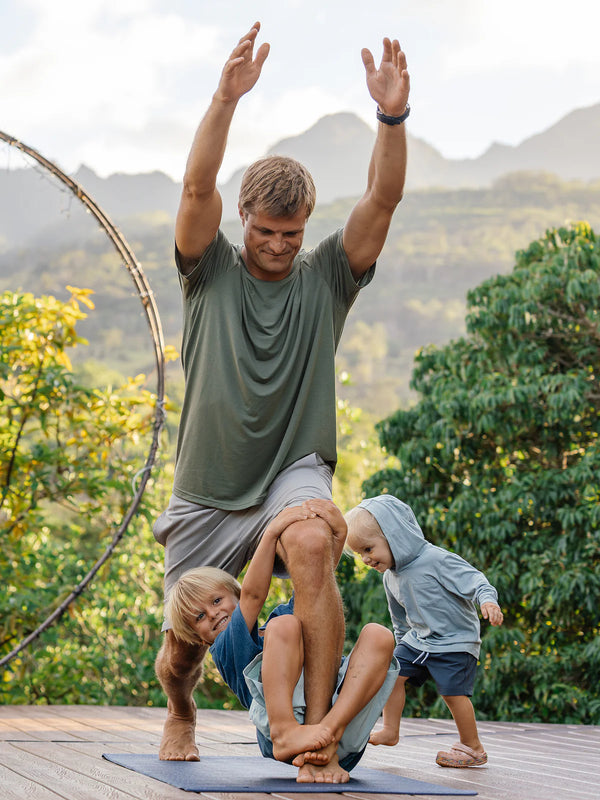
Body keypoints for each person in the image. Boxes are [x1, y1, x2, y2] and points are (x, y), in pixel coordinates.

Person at [153, 20, 410, 762]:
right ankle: (182, 711)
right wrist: (225, 99)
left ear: (306, 229)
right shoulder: (208, 270)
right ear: (244, 220)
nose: (277, 246)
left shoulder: (327, 275)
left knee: (309, 539)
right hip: (206, 485)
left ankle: (316, 734)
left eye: (291, 235)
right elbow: (197, 184)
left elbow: (381, 203)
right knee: (181, 650)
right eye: (266, 231)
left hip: (293, 465)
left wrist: (391, 118)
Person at [165, 500, 399, 783]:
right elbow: (253, 594)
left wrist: (336, 538)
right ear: (198, 638)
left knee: (380, 635)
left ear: (233, 595)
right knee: (284, 626)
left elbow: (318, 589)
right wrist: (272, 531)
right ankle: (284, 729)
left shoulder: (282, 622)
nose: (213, 614)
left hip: (338, 735)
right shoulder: (226, 647)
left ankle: (329, 735)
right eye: (199, 616)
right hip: (280, 740)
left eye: (216, 600)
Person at [345, 494, 504, 768]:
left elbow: (475, 580)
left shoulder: (435, 560)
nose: (366, 559)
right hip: (418, 640)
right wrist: (398, 649)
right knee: (391, 674)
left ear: (395, 535)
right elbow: (399, 619)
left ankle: (473, 747)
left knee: (453, 694)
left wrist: (487, 600)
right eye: (360, 554)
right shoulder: (389, 576)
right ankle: (391, 731)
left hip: (455, 640)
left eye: (369, 549)